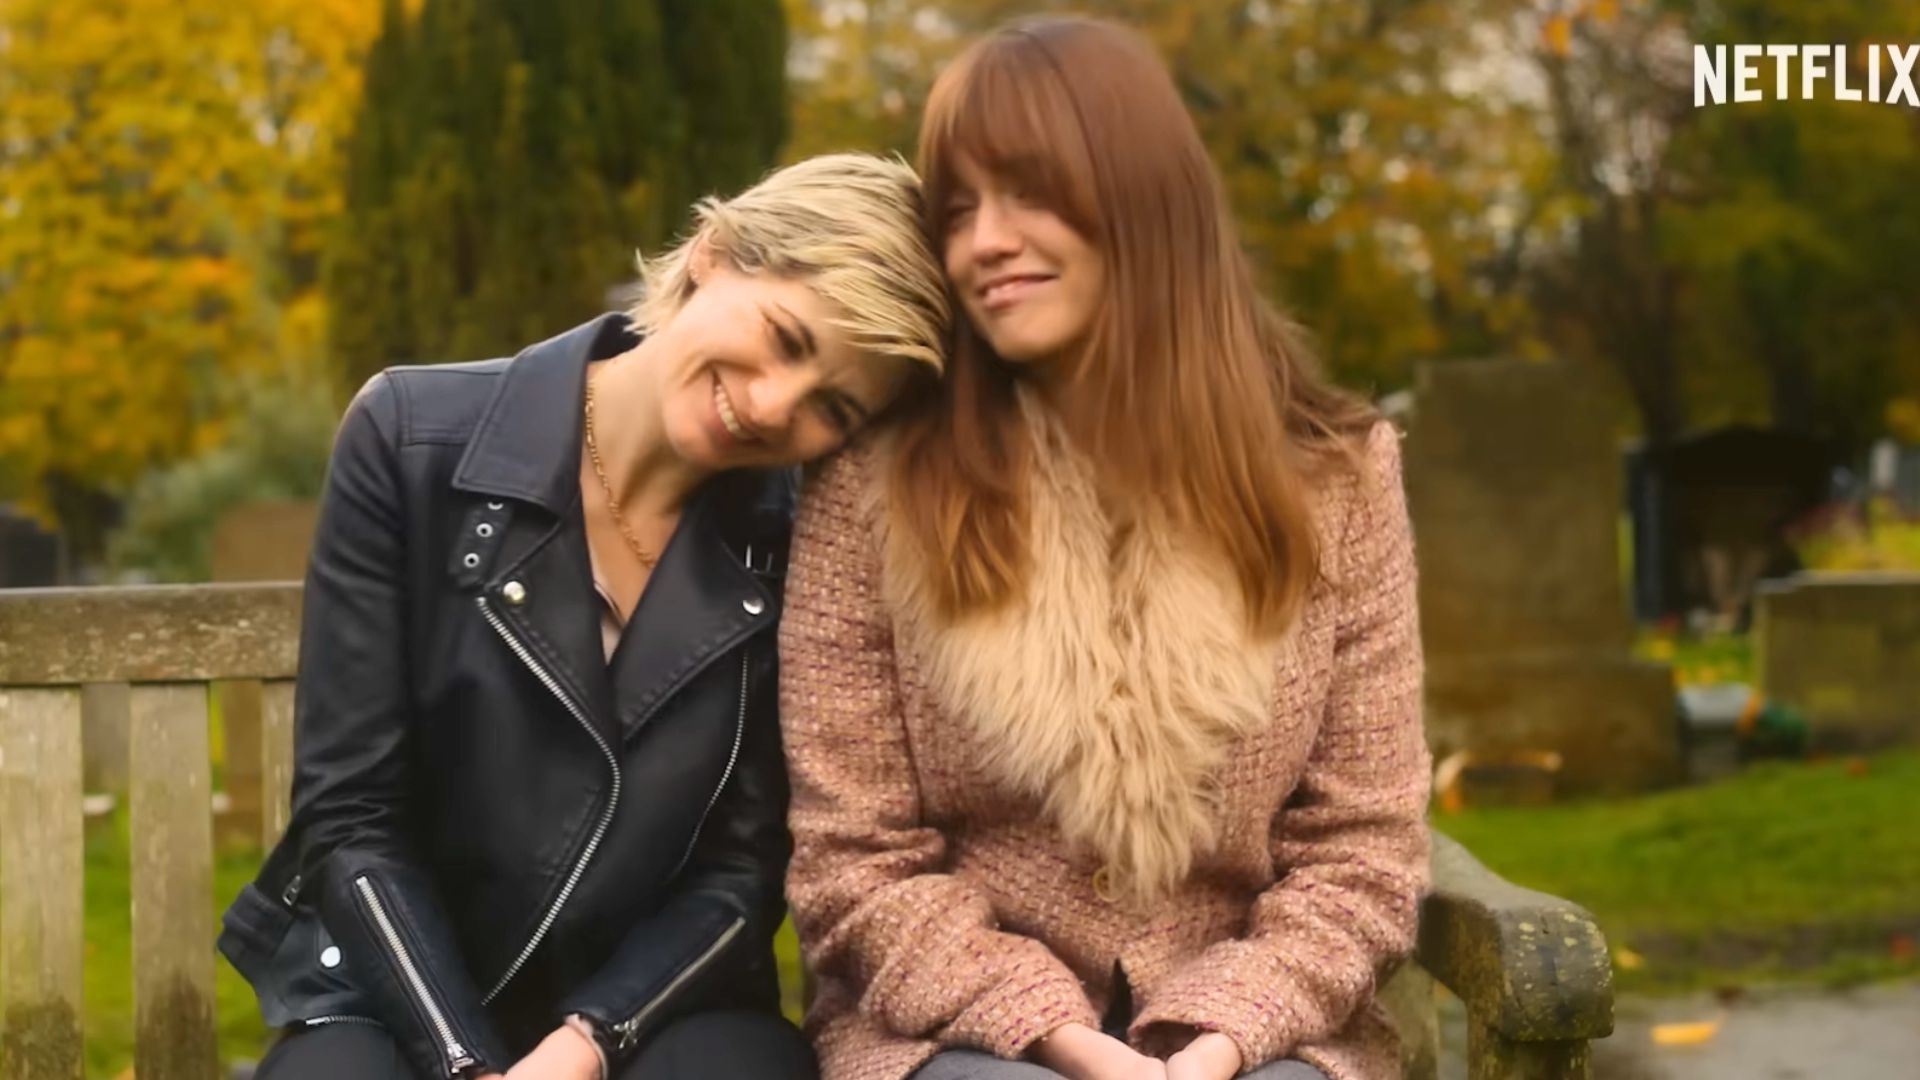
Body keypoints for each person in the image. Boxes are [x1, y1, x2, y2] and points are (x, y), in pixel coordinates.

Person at [778, 19, 1430, 1080]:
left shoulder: (1338, 482)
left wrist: (1221, 1039)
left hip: (1258, 1031)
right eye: (958, 210)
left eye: (1028, 193)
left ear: (1140, 196)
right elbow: (856, 859)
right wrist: (1060, 1038)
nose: (984, 241)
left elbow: (1363, 848)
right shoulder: (873, 489)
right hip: (957, 1034)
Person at [218, 152, 950, 1080]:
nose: (772, 405)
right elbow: (350, 814)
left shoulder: (798, 534)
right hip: (395, 996)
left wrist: (585, 1045)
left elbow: (743, 870)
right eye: (785, 338)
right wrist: (468, 1063)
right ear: (715, 257)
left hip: (654, 1011)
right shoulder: (409, 437)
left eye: (831, 408)